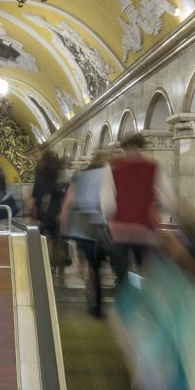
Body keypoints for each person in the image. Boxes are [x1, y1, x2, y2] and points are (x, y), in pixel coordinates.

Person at [100, 134, 167, 294]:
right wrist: (159, 210)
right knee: (147, 270)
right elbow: (166, 198)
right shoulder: (153, 167)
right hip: (145, 230)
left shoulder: (113, 167)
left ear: (123, 148)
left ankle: (126, 298)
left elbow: (107, 200)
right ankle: (144, 296)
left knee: (122, 273)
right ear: (141, 147)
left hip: (120, 231)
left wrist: (109, 219)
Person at [60, 152, 111, 315]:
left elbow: (69, 200)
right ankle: (95, 289)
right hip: (101, 223)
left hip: (81, 224)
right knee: (97, 261)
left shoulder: (80, 176)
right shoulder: (107, 175)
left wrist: (63, 222)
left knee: (87, 259)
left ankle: (89, 286)